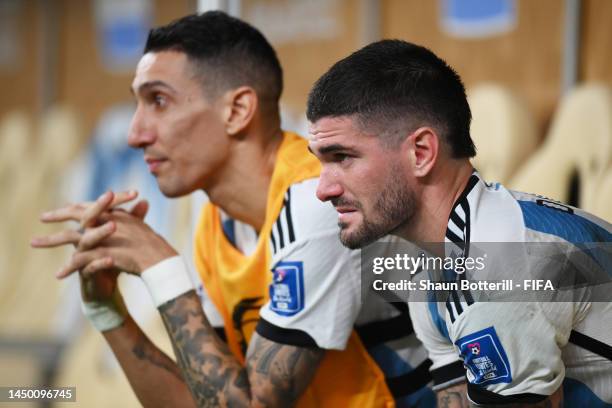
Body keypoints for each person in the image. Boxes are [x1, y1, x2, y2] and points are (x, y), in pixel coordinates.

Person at [31, 13, 435, 407]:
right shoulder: (215, 217)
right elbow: (207, 397)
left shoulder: (318, 199)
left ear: (238, 110)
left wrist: (162, 269)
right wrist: (108, 311)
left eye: (158, 100)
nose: (135, 134)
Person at [305, 39, 612, 407]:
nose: (323, 189)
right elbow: (455, 396)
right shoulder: (434, 256)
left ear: (421, 153)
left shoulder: (498, 261)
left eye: (342, 157)